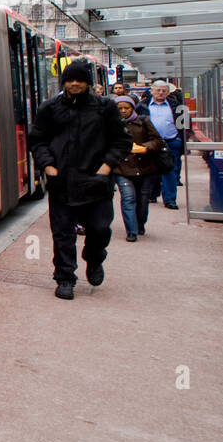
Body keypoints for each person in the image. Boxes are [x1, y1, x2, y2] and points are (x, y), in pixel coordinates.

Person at [28, 58, 131, 300]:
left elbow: (122, 141)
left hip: (96, 182)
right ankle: (65, 278)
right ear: (64, 82)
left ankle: (94, 258)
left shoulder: (105, 107)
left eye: (80, 80)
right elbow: (37, 139)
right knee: (62, 234)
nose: (74, 84)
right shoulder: (50, 108)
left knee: (100, 229)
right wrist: (48, 166)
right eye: (70, 80)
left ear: (88, 83)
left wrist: (106, 168)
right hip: (61, 182)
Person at [112, 97, 163, 241]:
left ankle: (140, 224)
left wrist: (145, 148)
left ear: (133, 108)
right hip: (122, 168)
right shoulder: (111, 124)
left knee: (143, 199)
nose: (123, 111)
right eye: (119, 108)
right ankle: (131, 231)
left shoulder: (144, 121)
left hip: (145, 168)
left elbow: (158, 141)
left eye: (126, 108)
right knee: (128, 198)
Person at [141, 80, 183, 209]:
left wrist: (179, 139)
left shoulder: (177, 106)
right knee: (150, 170)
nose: (160, 93)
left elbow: (185, 125)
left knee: (169, 171)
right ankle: (151, 195)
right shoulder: (142, 106)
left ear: (168, 92)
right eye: (158, 90)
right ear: (152, 91)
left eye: (164, 90)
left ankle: (170, 200)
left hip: (170, 141)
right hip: (150, 143)